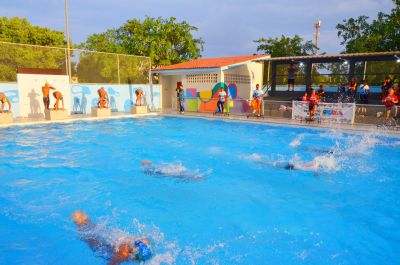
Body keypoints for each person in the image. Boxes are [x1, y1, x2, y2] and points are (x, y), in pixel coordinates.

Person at [72, 211, 152, 265]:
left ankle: (84, 220)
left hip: (113, 240)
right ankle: (80, 221)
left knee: (94, 232)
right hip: (105, 249)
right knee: (88, 238)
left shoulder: (144, 242)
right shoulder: (123, 254)